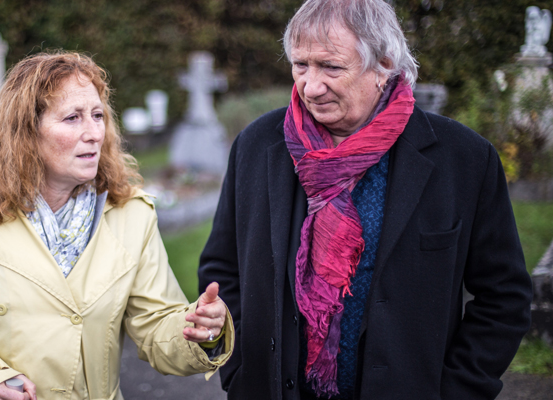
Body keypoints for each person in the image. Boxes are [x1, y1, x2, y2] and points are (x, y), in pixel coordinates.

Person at [197, 0, 532, 399]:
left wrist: (457, 391)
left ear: (384, 65)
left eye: (331, 67)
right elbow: (222, 268)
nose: (310, 85)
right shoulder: (257, 145)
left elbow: (504, 297)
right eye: (301, 65)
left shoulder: (463, 160)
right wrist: (240, 373)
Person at [0, 50, 233, 400]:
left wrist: (198, 330)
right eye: (72, 118)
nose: (94, 132)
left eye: (97, 115)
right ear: (26, 129)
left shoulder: (131, 214)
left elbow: (156, 327)